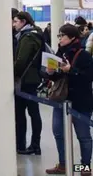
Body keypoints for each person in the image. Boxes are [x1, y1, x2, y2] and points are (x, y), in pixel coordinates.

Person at [45, 24, 93, 175]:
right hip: (61, 100)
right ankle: (63, 164)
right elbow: (56, 78)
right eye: (58, 36)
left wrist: (70, 70)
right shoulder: (59, 53)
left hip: (80, 101)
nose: (60, 39)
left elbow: (88, 77)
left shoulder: (84, 55)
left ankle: (84, 167)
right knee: (58, 132)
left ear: (72, 37)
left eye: (62, 36)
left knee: (83, 136)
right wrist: (50, 72)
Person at [13, 11, 44, 155]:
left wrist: (12, 74)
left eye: (16, 21)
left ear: (23, 22)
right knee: (33, 113)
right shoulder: (36, 34)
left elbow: (21, 60)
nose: (14, 24)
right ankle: (34, 144)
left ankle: (24, 144)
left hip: (25, 80)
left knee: (22, 114)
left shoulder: (27, 37)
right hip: (33, 79)